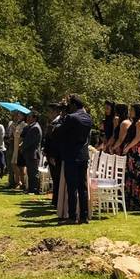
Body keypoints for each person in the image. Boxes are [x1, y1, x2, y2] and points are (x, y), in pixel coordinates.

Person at [57, 95, 92, 223]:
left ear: (73, 105)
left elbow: (59, 132)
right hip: (83, 155)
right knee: (82, 187)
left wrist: (62, 117)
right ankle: (84, 216)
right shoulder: (88, 117)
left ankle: (72, 216)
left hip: (71, 155)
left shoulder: (71, 118)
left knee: (72, 187)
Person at [121, 103, 140, 210]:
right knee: (130, 175)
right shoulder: (134, 122)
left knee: (136, 175)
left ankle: (137, 202)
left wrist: (128, 147)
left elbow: (137, 138)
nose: (130, 112)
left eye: (132, 110)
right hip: (132, 150)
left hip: (137, 151)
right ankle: (129, 201)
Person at [44, 103, 65, 208]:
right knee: (55, 178)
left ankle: (57, 201)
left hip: (55, 154)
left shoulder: (58, 122)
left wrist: (52, 155)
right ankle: (55, 200)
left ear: (55, 112)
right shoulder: (52, 122)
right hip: (50, 153)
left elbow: (54, 142)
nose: (48, 114)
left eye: (49, 111)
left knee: (57, 178)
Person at [20, 111, 43, 195]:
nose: (28, 118)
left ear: (34, 118)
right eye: (28, 117)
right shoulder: (30, 127)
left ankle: (34, 189)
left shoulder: (35, 128)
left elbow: (28, 141)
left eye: (30, 117)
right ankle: (31, 188)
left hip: (32, 153)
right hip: (30, 153)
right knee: (30, 172)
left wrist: (22, 147)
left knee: (33, 172)